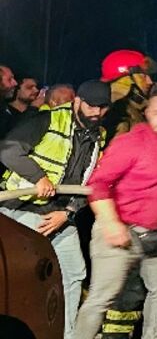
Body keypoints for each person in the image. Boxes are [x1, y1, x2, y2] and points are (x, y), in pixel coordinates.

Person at [74, 85, 157, 339]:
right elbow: (98, 183)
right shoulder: (132, 141)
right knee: (102, 298)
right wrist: (110, 223)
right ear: (148, 112)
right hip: (122, 229)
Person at [0, 79, 110, 336]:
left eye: (103, 107)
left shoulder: (99, 135)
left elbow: (92, 181)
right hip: (20, 210)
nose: (96, 113)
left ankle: (66, 334)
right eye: (91, 106)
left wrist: (68, 213)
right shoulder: (46, 120)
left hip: (60, 215)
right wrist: (38, 177)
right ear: (78, 102)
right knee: (22, 277)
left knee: (74, 272)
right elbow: (8, 152)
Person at [100, 49, 157, 143]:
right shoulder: (117, 114)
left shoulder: (135, 108)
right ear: (125, 79)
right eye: (144, 76)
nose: (150, 82)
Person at [0, 70, 39, 137]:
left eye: (36, 87)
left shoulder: (38, 112)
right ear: (16, 89)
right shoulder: (4, 111)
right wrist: (33, 107)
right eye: (29, 87)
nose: (36, 90)